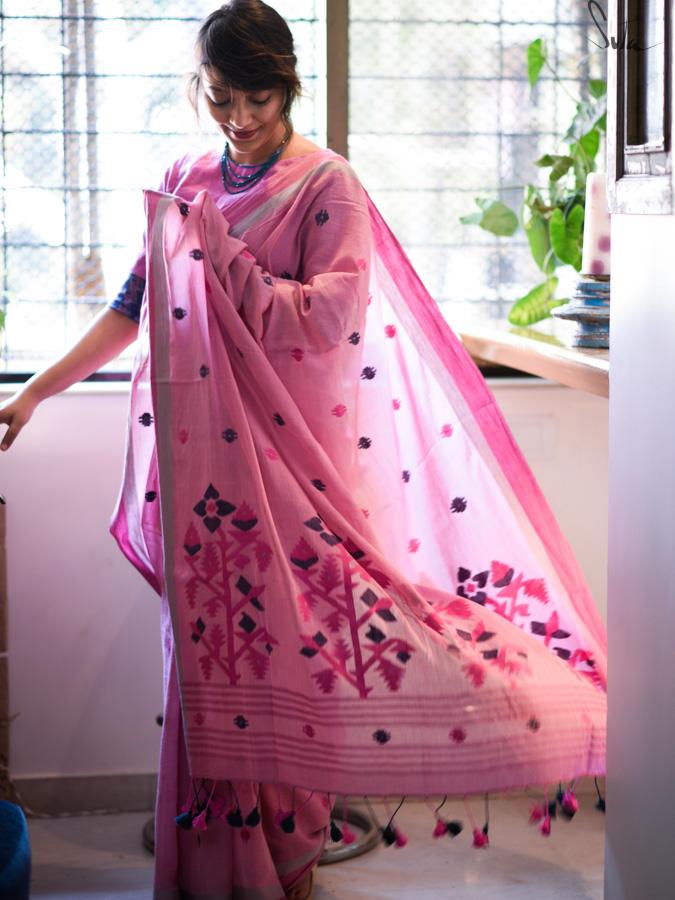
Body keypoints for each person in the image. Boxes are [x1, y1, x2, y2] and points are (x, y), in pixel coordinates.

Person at [0, 3, 607, 899]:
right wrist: (34, 392)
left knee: (297, 661)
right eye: (220, 97)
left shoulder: (327, 186)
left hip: (297, 469)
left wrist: (225, 262)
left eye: (256, 96)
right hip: (202, 470)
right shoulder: (185, 176)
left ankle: (286, 869)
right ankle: (211, 871)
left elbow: (331, 318)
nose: (238, 116)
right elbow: (137, 306)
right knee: (206, 664)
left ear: (288, 84)